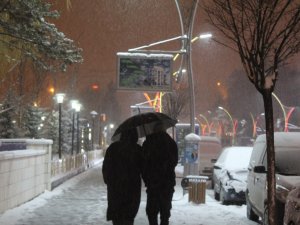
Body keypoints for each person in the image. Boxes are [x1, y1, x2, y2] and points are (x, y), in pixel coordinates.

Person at [102, 129, 143, 225]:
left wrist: (109, 181)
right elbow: (144, 168)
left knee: (117, 215)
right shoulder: (137, 149)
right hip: (132, 188)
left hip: (115, 188)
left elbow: (106, 167)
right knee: (129, 216)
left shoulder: (113, 148)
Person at [142, 125, 178, 225]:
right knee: (165, 213)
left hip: (153, 184)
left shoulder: (148, 143)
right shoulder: (171, 143)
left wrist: (147, 179)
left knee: (151, 212)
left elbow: (143, 164)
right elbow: (174, 162)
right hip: (167, 183)